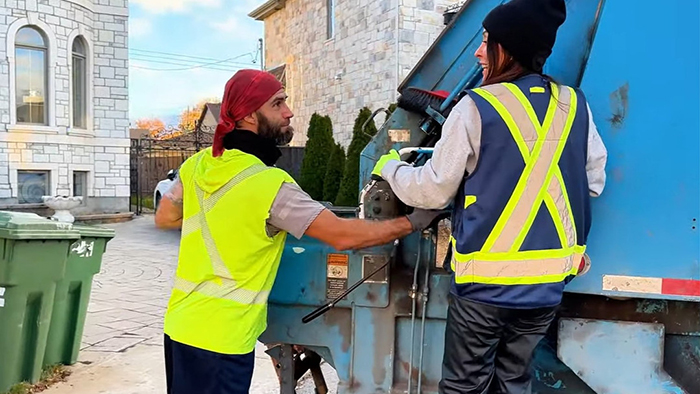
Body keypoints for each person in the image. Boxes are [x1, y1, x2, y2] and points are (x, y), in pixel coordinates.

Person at [154, 69, 445, 394]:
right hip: (222, 339)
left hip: (181, 326)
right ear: (249, 115)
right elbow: (343, 236)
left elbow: (165, 216)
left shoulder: (198, 165)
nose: (289, 111)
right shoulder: (269, 185)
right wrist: (414, 222)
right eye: (277, 104)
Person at [371, 0, 608, 393]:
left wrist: (391, 168)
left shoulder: (477, 106)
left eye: (487, 42)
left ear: (508, 49)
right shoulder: (573, 105)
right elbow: (593, 181)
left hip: (485, 290)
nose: (480, 52)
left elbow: (432, 190)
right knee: (513, 383)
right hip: (546, 289)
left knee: (466, 386)